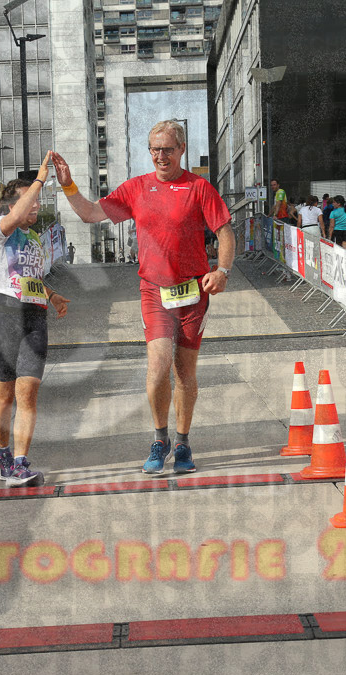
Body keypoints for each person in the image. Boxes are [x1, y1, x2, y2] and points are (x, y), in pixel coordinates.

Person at [53, 120, 233, 475]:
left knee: (185, 374)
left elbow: (225, 232)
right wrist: (68, 185)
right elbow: (90, 213)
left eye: (167, 148)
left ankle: (182, 442)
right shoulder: (137, 189)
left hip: (194, 292)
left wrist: (222, 270)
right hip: (154, 291)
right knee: (157, 367)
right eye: (154, 149)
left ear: (181, 149)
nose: (160, 156)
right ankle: (159, 438)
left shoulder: (199, 188)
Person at [0, 153, 70, 487]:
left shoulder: (34, 238)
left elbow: (33, 277)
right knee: (4, 397)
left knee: (29, 392)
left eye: (37, 203)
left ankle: (20, 462)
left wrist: (52, 295)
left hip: (35, 318)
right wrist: (40, 179)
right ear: (11, 206)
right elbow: (18, 213)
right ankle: (3, 451)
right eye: (29, 202)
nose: (35, 207)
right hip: (2, 316)